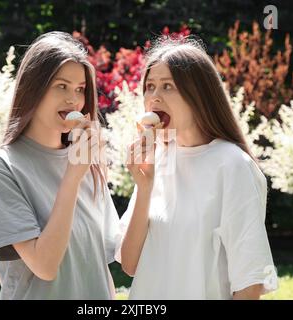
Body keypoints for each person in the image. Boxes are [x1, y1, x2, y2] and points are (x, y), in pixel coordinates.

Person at [118, 37, 277, 299]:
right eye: (149, 87)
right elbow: (130, 264)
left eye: (168, 86)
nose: (154, 97)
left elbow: (250, 283)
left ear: (198, 96)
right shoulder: (156, 160)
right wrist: (144, 187)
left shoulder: (233, 165)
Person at [0, 32, 119, 300]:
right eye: (61, 86)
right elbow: (45, 265)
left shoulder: (85, 162)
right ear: (33, 89)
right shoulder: (2, 169)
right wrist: (72, 177)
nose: (73, 100)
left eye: (80, 89)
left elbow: (97, 266)